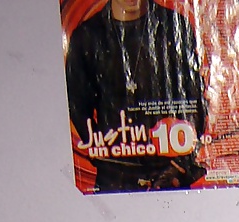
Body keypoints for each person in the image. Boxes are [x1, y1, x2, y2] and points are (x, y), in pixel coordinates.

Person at [64, 0, 206, 193]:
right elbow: (77, 105)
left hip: (169, 171)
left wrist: (180, 164)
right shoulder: (87, 35)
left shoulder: (174, 25)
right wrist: (103, 153)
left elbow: (195, 98)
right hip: (115, 175)